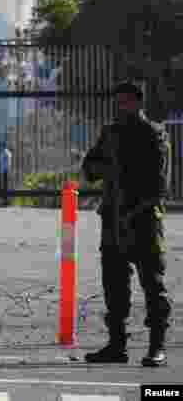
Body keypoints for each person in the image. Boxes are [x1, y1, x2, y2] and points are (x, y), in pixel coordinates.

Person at [81, 80, 172, 367]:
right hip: (113, 220)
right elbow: (89, 168)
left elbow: (159, 185)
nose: (121, 107)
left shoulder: (154, 134)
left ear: (138, 103)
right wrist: (106, 168)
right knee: (114, 286)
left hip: (143, 220)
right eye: (117, 102)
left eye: (126, 101)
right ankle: (116, 345)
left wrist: (133, 206)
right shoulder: (109, 133)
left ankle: (156, 346)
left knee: (153, 285)